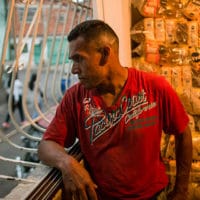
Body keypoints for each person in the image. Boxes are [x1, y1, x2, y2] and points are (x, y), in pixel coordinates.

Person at [38, 20, 192, 200]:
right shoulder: (76, 97)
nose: (74, 69)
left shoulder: (154, 88)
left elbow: (183, 133)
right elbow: (45, 146)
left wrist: (181, 190)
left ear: (104, 54)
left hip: (154, 195)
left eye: (79, 58)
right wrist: (68, 163)